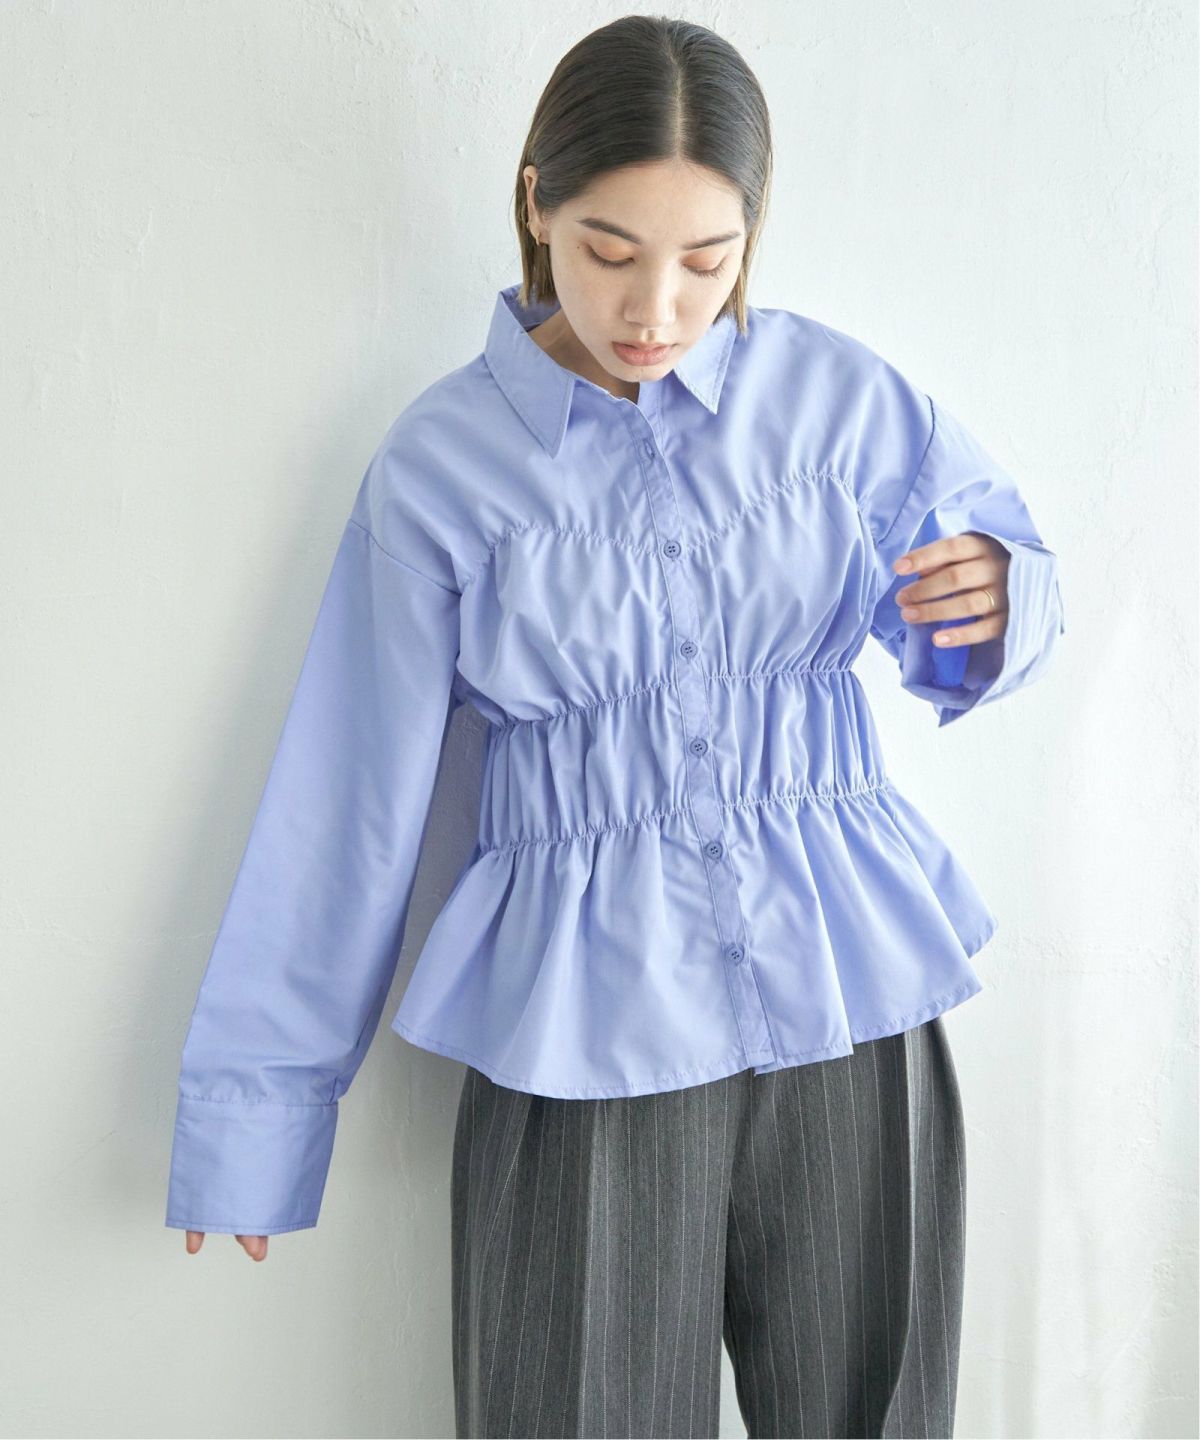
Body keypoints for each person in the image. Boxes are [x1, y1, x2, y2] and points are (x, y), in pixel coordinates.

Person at [164, 15, 1065, 1438]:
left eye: (707, 260)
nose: (656, 307)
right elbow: (348, 801)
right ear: (537, 204)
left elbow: (984, 605)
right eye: (608, 248)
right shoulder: (444, 467)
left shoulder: (838, 399)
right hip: (583, 1027)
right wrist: (256, 1112)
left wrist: (1001, 602)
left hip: (850, 998)